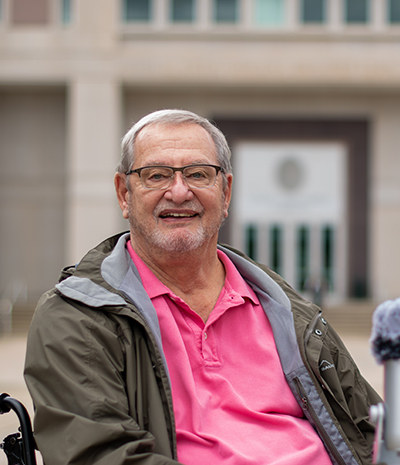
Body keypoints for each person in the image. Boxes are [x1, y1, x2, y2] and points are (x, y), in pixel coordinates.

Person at [24, 109, 381, 465]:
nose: (179, 192)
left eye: (198, 174)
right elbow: (100, 456)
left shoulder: (288, 311)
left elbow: (371, 429)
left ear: (225, 193)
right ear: (124, 194)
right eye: (156, 175)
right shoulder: (76, 317)